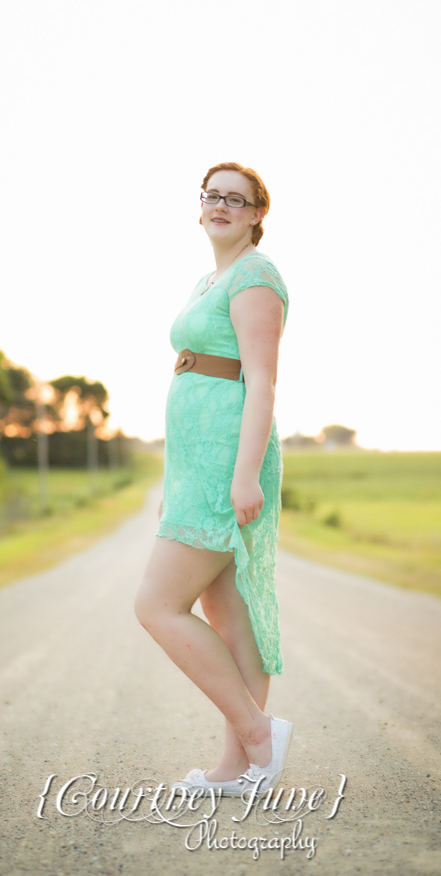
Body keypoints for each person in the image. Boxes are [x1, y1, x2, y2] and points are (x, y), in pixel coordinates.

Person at [135, 161, 292, 796]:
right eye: (212, 195)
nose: (221, 205)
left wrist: (245, 474)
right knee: (226, 609)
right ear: (199, 207)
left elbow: (261, 380)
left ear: (258, 214)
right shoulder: (211, 278)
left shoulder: (257, 276)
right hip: (197, 460)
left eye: (237, 198)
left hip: (226, 459)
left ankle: (259, 733)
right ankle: (242, 768)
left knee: (156, 603)